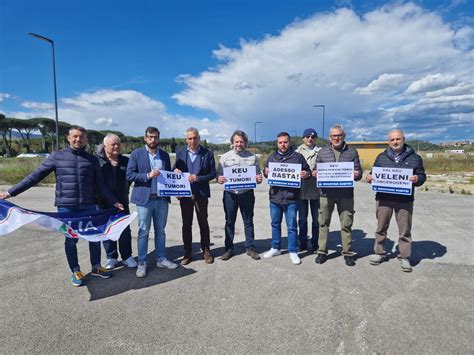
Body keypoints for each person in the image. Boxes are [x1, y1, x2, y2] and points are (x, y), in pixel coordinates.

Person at [0, 126, 122, 286]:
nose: (78, 139)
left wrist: (114, 201)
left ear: (86, 140)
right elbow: (34, 177)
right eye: (75, 136)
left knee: (94, 237)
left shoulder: (92, 159)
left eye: (82, 137)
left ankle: (96, 267)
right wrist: (10, 192)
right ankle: (76, 271)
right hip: (66, 207)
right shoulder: (57, 156)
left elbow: (100, 185)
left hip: (90, 205)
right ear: (68, 138)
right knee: (71, 240)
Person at [366, 129, 426, 272]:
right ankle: (379, 253)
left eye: (398, 139)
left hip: (404, 199)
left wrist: (418, 179)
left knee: (404, 230)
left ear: (403, 139)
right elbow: (373, 173)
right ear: (389, 142)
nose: (395, 142)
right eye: (392, 140)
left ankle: (404, 257)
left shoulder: (415, 158)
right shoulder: (381, 157)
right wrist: (369, 177)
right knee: (381, 228)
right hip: (384, 199)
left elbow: (422, 175)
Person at [127, 127, 178, 278]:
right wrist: (148, 175)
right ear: (145, 138)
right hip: (145, 200)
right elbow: (129, 174)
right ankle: (142, 262)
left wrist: (175, 174)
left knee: (160, 231)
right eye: (150, 137)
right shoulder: (136, 154)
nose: (153, 140)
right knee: (143, 232)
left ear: (158, 138)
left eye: (155, 137)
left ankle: (161, 259)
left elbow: (168, 176)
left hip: (161, 199)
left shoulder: (164, 155)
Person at [314, 124, 362, 266]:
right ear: (330, 137)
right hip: (326, 194)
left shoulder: (352, 152)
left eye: (339, 135)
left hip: (345, 194)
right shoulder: (322, 152)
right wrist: (315, 173)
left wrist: (357, 174)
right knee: (323, 223)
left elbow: (358, 172)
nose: (336, 138)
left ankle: (347, 253)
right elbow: (315, 170)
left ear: (344, 136)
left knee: (346, 224)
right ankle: (322, 252)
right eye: (334, 136)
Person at [263, 132, 310, 265]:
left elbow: (308, 172)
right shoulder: (272, 157)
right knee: (275, 224)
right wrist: (265, 172)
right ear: (277, 143)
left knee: (292, 226)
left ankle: (293, 251)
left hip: (291, 198)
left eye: (285, 142)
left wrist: (306, 174)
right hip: (275, 197)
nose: (283, 144)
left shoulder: (298, 157)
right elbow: (266, 172)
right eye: (280, 142)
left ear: (289, 143)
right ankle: (275, 247)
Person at [216, 130, 263, 261]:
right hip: (230, 194)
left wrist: (258, 179)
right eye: (236, 141)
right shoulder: (224, 157)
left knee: (248, 221)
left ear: (246, 143)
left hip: (246, 194)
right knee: (229, 222)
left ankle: (250, 248)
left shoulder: (253, 157)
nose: (239, 144)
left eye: (241, 141)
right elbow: (219, 174)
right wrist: (219, 178)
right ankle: (229, 249)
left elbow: (258, 175)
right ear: (232, 143)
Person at [174, 127, 216, 265]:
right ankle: (187, 253)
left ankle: (206, 250)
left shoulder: (207, 153)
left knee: (203, 223)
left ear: (199, 138)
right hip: (185, 195)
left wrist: (198, 178)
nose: (192, 141)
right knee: (187, 224)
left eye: (195, 138)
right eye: (190, 138)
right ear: (186, 139)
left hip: (201, 194)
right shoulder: (180, 153)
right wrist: (175, 170)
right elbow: (174, 170)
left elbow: (212, 174)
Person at [96, 134, 138, 270]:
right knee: (108, 230)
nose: (116, 147)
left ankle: (127, 256)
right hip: (103, 202)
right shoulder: (97, 162)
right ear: (105, 146)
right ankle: (112, 257)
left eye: (118, 144)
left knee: (124, 229)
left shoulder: (126, 161)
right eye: (113, 144)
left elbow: (132, 177)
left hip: (122, 201)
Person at [295, 128, 321, 253]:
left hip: (317, 188)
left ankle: (315, 243)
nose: (310, 139)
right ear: (303, 138)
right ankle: (303, 243)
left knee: (317, 219)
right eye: (307, 137)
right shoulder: (296, 152)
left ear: (316, 138)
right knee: (302, 218)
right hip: (301, 188)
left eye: (313, 137)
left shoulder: (321, 152)